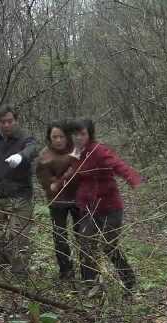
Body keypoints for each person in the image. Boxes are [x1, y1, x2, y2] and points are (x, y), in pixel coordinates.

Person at [53, 119, 141, 291]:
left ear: (90, 134)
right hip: (88, 208)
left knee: (109, 246)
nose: (79, 138)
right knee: (85, 244)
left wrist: (132, 178)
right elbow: (72, 171)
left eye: (82, 134)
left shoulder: (99, 150)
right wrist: (60, 181)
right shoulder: (76, 152)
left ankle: (128, 280)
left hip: (110, 208)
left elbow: (116, 164)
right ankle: (91, 284)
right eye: (75, 134)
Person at [0, 104, 38, 276]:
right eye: (3, 122)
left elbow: (33, 149)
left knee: (17, 234)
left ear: (16, 121)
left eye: (10, 121)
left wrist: (21, 156)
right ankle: (2, 260)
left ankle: (19, 270)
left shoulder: (25, 139)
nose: (7, 125)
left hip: (20, 194)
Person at [35, 122, 78, 280]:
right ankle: (66, 272)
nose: (58, 140)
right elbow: (46, 181)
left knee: (83, 235)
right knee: (60, 236)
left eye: (61, 136)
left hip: (78, 199)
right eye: (55, 137)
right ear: (49, 138)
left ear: (67, 137)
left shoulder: (76, 150)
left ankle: (89, 272)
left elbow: (83, 171)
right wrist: (61, 181)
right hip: (57, 201)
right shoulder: (44, 155)